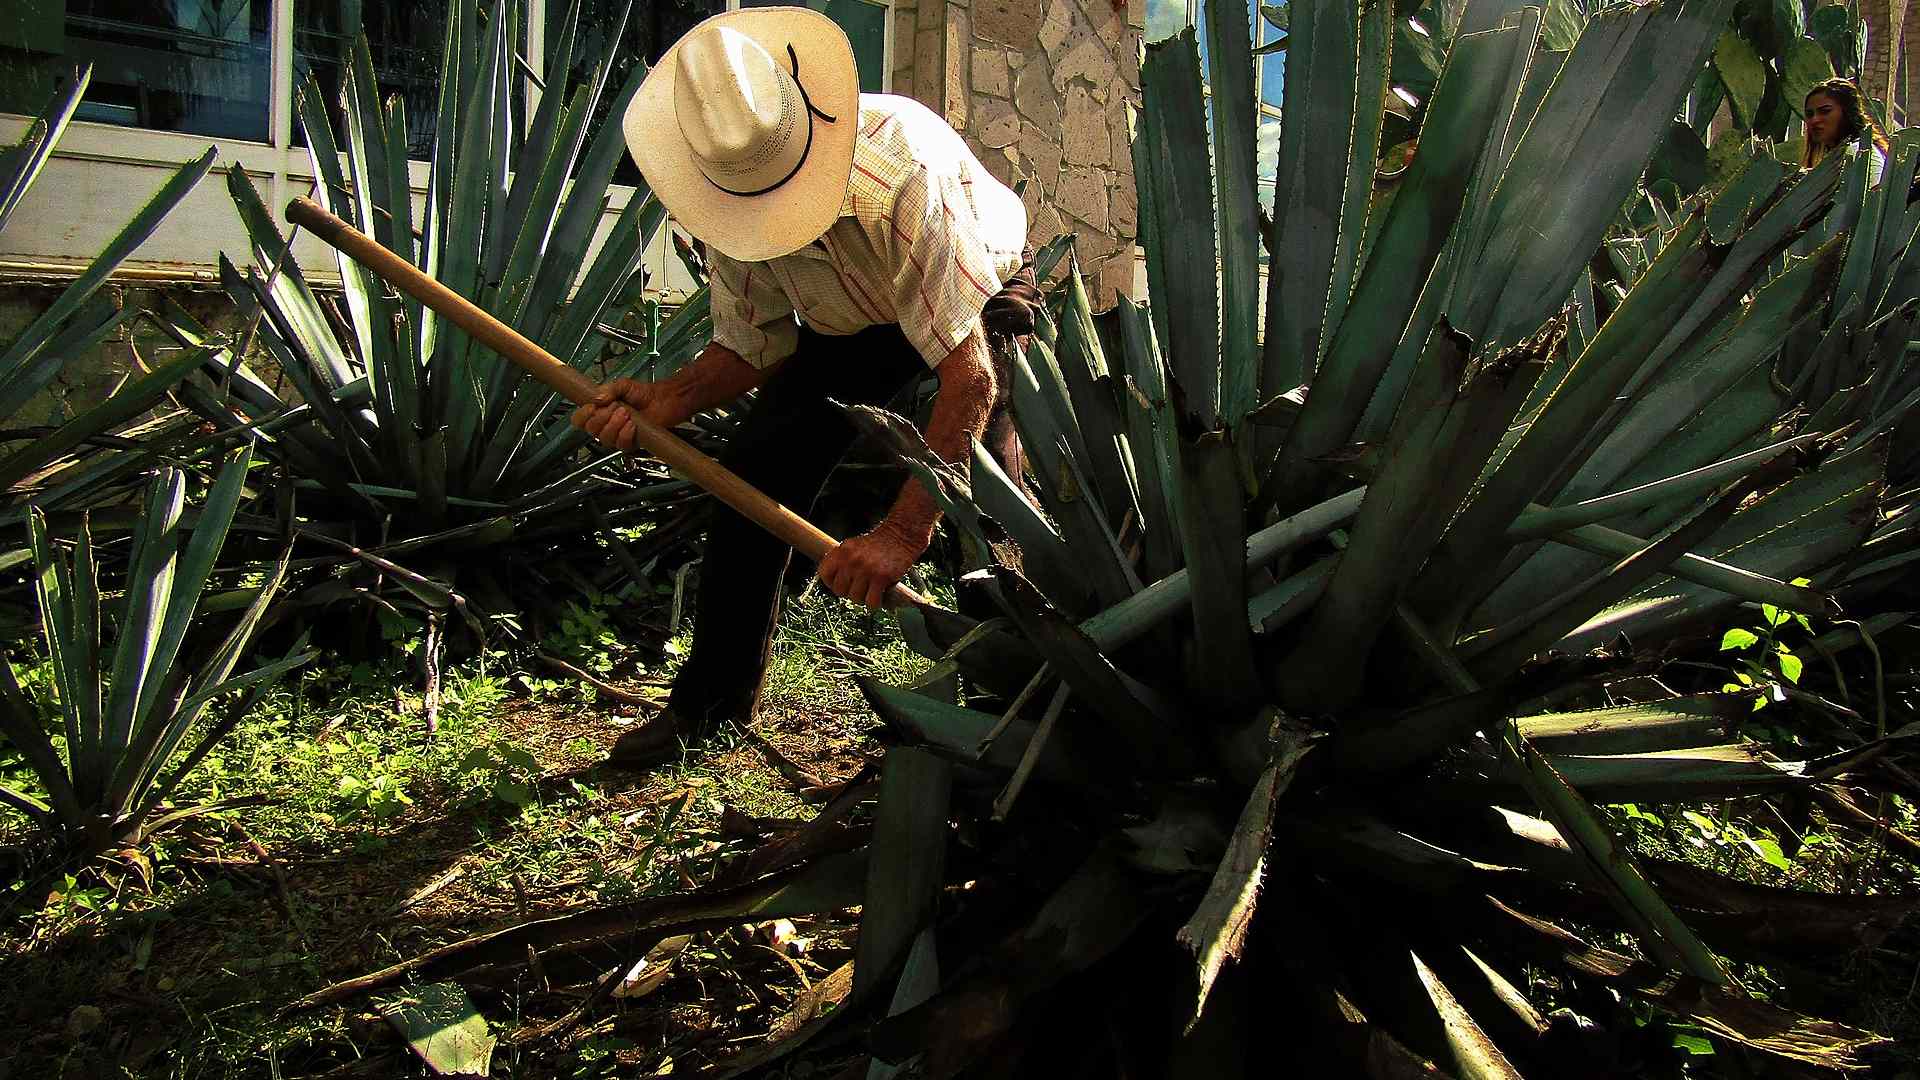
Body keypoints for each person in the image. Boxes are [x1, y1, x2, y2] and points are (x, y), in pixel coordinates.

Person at [570, 7, 1040, 766]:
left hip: (972, 290)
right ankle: (711, 708)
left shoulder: (902, 173)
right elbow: (755, 344)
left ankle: (1017, 714)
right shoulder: (720, 190)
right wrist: (669, 399)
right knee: (754, 475)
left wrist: (900, 534)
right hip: (850, 317)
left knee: (992, 498)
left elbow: (970, 384)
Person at [1801, 77, 1890, 171]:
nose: (1814, 120)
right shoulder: (1835, 160)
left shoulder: (1859, 154)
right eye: (1809, 114)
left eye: (1825, 111)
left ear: (1847, 112)